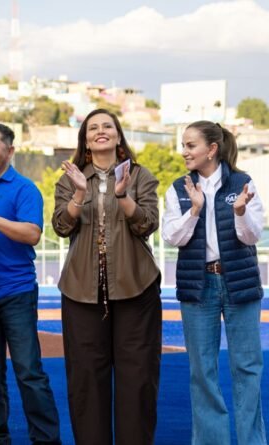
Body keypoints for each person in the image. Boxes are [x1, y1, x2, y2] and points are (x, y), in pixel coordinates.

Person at [52, 109, 161, 445]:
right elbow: (61, 226)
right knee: (85, 379)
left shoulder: (140, 176)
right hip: (80, 291)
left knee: (138, 378)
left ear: (118, 136)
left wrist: (122, 195)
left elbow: (147, 224)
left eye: (107, 126)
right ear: (85, 140)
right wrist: (79, 194)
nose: (100, 131)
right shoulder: (69, 178)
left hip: (136, 287)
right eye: (93, 128)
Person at [161, 121, 266, 445]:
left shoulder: (243, 183)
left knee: (247, 368)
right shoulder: (178, 189)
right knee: (202, 372)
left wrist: (240, 212)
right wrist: (194, 210)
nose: (184, 151)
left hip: (239, 283)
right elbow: (172, 236)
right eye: (183, 145)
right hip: (198, 285)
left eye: (190, 145)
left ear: (212, 149)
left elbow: (252, 236)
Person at [0, 122, 61, 445]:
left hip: (16, 293)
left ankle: (46, 441)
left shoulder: (25, 189)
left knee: (29, 373)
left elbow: (32, 233)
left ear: (10, 151)